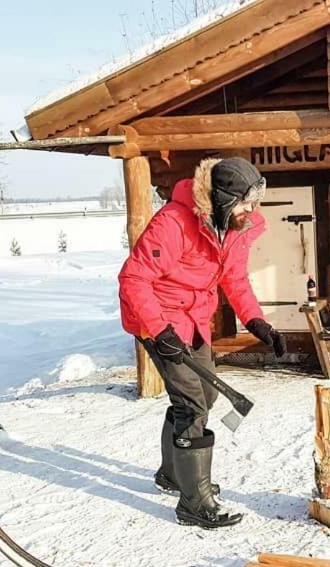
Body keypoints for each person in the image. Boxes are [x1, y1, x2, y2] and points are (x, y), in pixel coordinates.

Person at [118, 157, 286, 529]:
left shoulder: (235, 226)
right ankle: (193, 503)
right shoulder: (174, 223)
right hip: (155, 317)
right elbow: (133, 279)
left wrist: (257, 322)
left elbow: (235, 279)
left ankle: (174, 474)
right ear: (224, 198)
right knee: (193, 403)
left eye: (254, 202)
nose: (251, 210)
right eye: (245, 202)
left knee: (204, 396)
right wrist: (160, 331)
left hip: (194, 319)